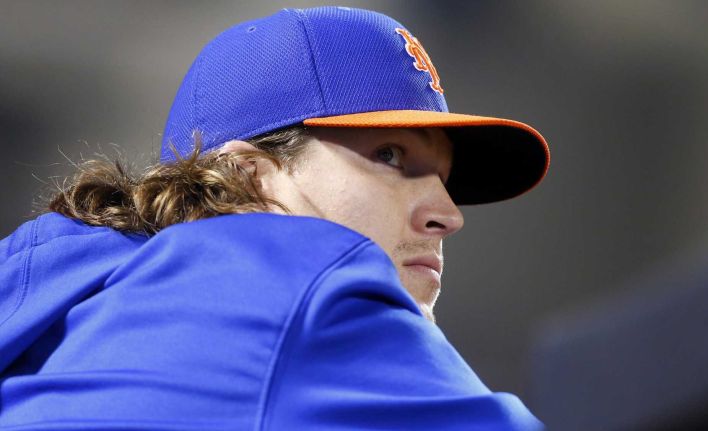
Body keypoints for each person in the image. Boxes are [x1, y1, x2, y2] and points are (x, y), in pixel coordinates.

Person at [0, 6, 549, 430]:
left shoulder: (50, 311)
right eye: (389, 155)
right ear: (247, 177)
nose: (447, 214)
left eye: (443, 178)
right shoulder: (300, 285)